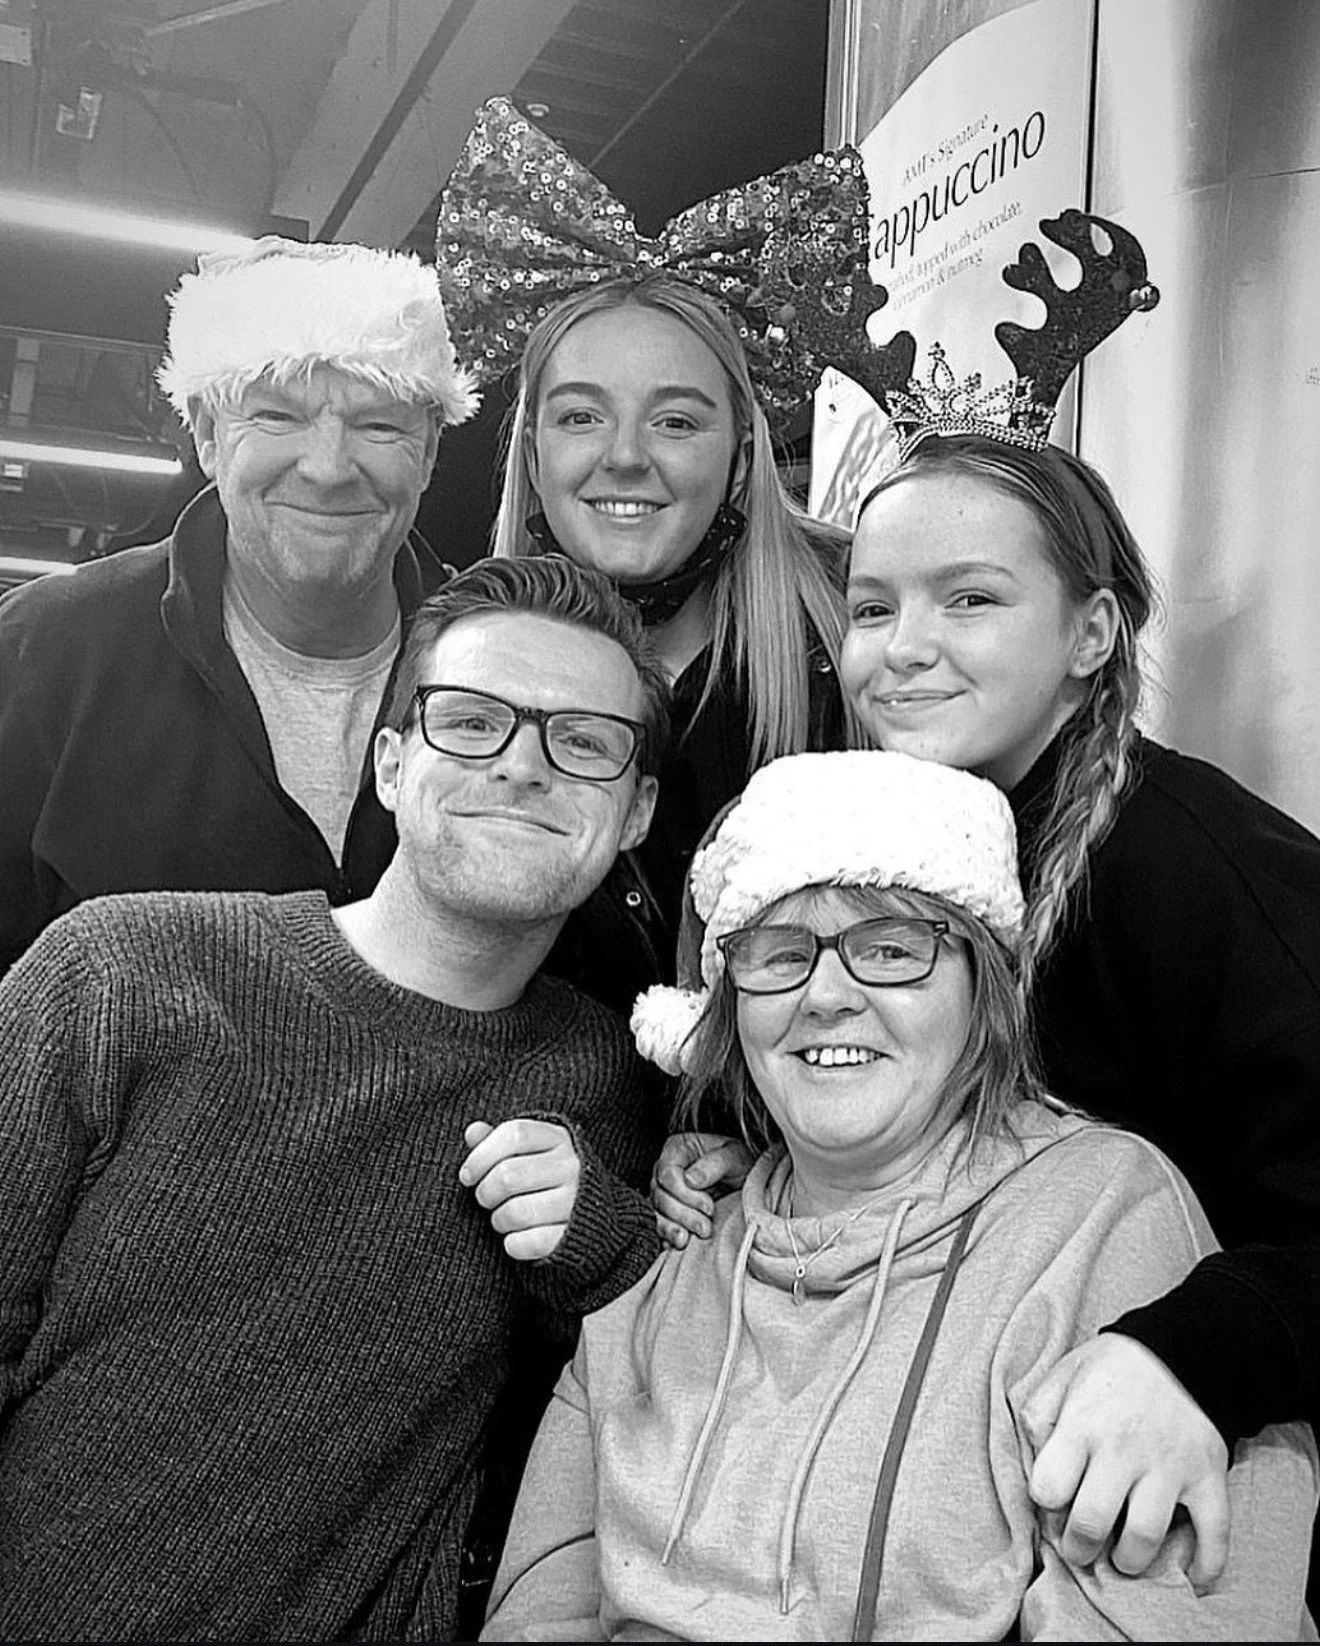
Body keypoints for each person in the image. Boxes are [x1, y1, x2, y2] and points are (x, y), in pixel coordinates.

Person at [482, 750, 1315, 1640]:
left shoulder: (1105, 1221)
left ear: (982, 991)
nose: (827, 995)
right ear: (729, 1006)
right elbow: (536, 1606)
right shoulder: (676, 1257)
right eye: (779, 952)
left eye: (891, 948)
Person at [0, 554, 670, 1640]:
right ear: (392, 764)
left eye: (583, 741)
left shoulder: (609, 1080)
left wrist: (601, 1235)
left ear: (635, 811)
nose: (524, 767)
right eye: (472, 721)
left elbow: (643, 1399)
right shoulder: (121, 970)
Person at [436, 98, 867, 1011]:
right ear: (534, 453)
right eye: (582, 416)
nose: (624, 456)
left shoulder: (863, 650)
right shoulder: (452, 672)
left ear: (742, 453)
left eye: (675, 420)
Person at [0, 235, 476, 977]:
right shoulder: (44, 654)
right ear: (209, 435)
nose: (326, 468)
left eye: (378, 423)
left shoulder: (497, 675)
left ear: (430, 449)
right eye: (278, 416)